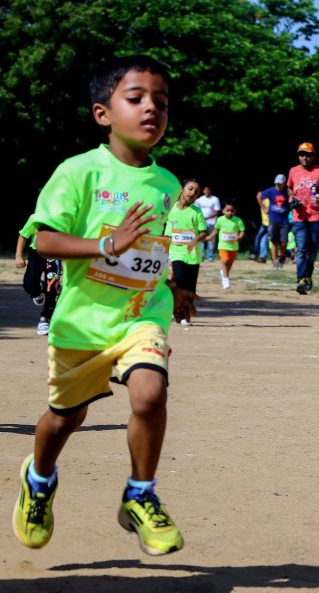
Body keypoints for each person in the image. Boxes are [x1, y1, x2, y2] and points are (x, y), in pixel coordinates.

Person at [13, 55, 196, 556]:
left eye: (161, 102)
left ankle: (140, 494)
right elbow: (45, 240)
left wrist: (175, 287)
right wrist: (107, 245)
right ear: (103, 113)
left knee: (150, 392)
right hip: (82, 324)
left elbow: (153, 248)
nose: (151, 109)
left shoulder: (166, 184)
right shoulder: (78, 173)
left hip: (141, 316)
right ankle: (40, 477)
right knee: (64, 419)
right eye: (135, 99)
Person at [288, 141, 319, 294]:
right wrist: (290, 198)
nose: (305, 158)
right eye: (301, 154)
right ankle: (301, 278)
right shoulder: (293, 171)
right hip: (299, 217)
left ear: (313, 156)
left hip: (316, 216)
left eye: (308, 155)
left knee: (312, 250)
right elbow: (290, 188)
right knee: (301, 249)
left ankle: (308, 275)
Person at [164, 178, 207, 324]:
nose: (193, 193)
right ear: (182, 189)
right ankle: (178, 313)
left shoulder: (196, 212)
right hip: (176, 253)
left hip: (193, 255)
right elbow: (166, 231)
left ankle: (186, 312)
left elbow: (203, 232)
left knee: (190, 286)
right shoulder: (170, 209)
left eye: (196, 191)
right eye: (190, 188)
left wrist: (195, 240)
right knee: (178, 282)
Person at [16, 215, 62, 335]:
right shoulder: (35, 218)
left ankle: (44, 319)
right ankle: (37, 291)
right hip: (36, 253)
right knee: (29, 284)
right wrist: (18, 256)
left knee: (53, 289)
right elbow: (23, 235)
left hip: (54, 254)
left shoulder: (64, 217)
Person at [209, 201, 245, 290]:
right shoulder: (220, 220)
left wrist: (240, 237)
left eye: (232, 211)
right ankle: (225, 279)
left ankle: (224, 273)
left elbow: (242, 231)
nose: (230, 212)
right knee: (225, 261)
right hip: (223, 245)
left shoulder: (238, 220)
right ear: (223, 211)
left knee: (229, 263)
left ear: (235, 211)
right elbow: (216, 230)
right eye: (227, 210)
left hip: (233, 246)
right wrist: (209, 237)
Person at [257, 174, 290, 268]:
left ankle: (281, 256)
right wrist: (263, 207)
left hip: (284, 220)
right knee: (274, 241)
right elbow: (259, 195)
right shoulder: (271, 191)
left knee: (284, 242)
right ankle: (275, 262)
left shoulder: (287, 191)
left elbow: (293, 198)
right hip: (273, 219)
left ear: (284, 183)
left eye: (280, 183)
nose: (278, 185)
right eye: (276, 183)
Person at [194, 184, 220, 262]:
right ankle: (201, 255)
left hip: (211, 222)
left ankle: (210, 256)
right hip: (202, 223)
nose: (207, 191)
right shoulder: (199, 199)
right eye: (205, 190)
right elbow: (195, 210)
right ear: (203, 191)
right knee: (200, 239)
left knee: (211, 240)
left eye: (208, 190)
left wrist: (209, 219)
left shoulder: (215, 199)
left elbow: (216, 212)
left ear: (210, 191)